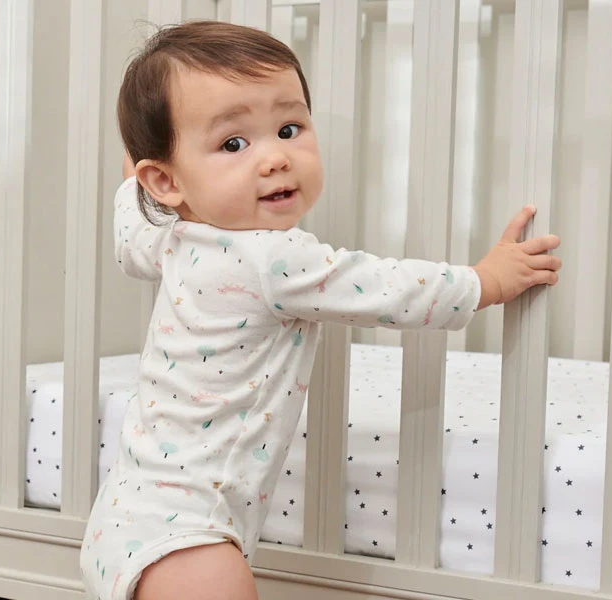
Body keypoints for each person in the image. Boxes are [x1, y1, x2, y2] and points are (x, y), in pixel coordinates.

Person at [81, 20, 561, 600]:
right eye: (234, 144)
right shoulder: (273, 258)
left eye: (289, 129)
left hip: (128, 513)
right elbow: (385, 287)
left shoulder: (172, 240)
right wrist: (483, 281)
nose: (275, 159)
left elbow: (130, 225)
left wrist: (136, 176)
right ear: (168, 180)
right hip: (192, 535)